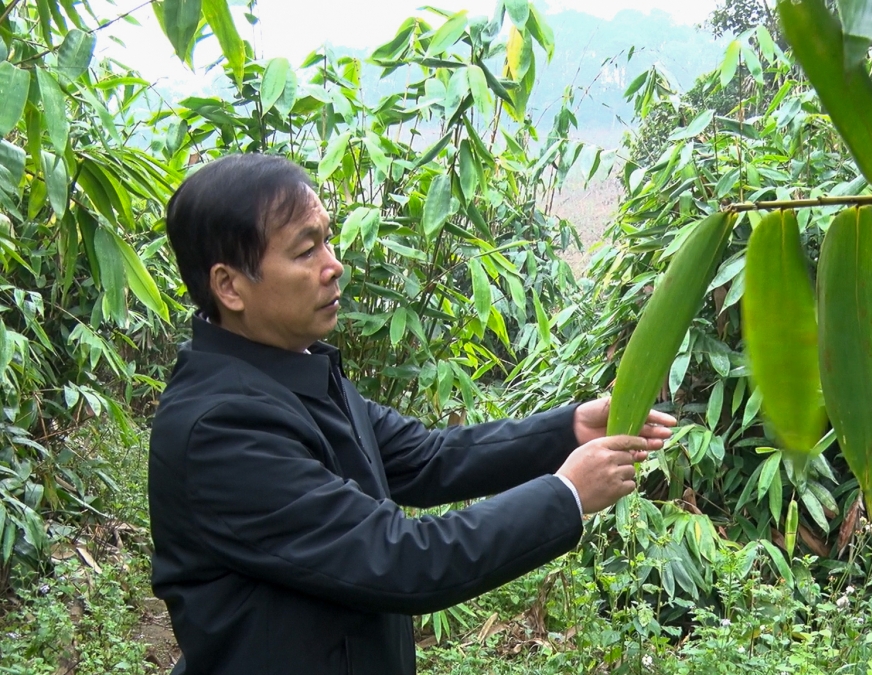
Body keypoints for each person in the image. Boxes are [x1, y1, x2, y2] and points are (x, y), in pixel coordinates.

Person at [148, 153, 675, 675]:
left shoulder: (295, 373)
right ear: (230, 286)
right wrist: (566, 495)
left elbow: (427, 458)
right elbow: (400, 561)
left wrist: (567, 428)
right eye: (306, 251)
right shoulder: (221, 428)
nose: (334, 265)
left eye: (327, 239)